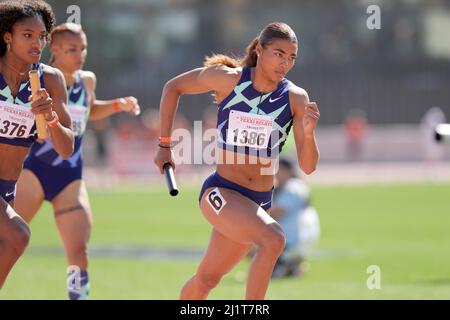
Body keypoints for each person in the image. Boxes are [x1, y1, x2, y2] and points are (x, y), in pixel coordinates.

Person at [154, 22, 320, 299]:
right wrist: (164, 146)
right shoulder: (228, 79)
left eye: (291, 58)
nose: (285, 63)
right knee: (274, 239)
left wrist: (309, 132)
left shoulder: (295, 98)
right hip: (221, 192)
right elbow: (173, 88)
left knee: (206, 281)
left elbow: (308, 166)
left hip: (256, 204)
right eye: (279, 54)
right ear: (260, 49)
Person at [14, 22, 140, 300]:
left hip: (70, 175)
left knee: (78, 255)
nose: (80, 54)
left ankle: (77, 297)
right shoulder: (38, 78)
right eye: (72, 49)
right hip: (34, 170)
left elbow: (89, 108)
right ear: (54, 50)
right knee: (8, 243)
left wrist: (118, 104)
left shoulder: (88, 80)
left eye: (83, 48)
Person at [0, 0, 74, 289]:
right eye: (27, 35)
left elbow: (67, 148)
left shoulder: (51, 80)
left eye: (41, 36)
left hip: (7, 188)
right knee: (19, 235)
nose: (37, 42)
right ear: (8, 37)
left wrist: (51, 117)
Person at [269, 158, 320, 278]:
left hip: (293, 242)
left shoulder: (293, 187)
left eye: (277, 170)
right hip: (302, 240)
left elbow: (275, 213)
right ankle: (290, 266)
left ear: (287, 171)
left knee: (247, 238)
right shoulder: (298, 186)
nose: (275, 174)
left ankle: (278, 266)